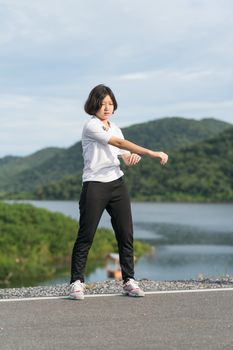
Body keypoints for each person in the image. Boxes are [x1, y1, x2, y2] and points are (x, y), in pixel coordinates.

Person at [70, 84, 168, 300]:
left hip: (117, 184)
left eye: (110, 104)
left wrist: (130, 157)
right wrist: (151, 152)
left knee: (126, 233)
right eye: (103, 103)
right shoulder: (91, 126)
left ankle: (129, 281)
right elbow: (119, 143)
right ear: (93, 105)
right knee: (86, 235)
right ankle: (77, 282)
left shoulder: (115, 127)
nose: (107, 108)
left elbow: (122, 152)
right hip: (94, 185)